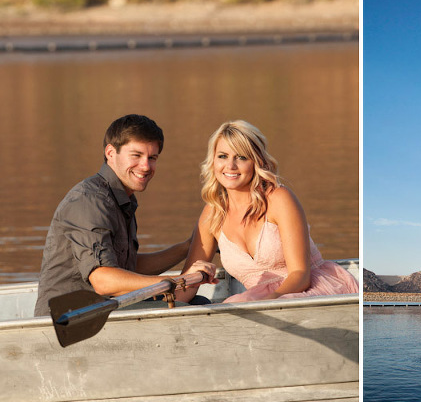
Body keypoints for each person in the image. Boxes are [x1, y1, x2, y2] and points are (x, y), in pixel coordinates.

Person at [35, 114, 216, 316]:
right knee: (193, 306)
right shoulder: (89, 201)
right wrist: (177, 283)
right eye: (136, 155)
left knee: (197, 302)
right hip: (71, 321)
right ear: (111, 153)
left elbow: (128, 268)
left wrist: (186, 247)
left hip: (103, 309)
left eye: (152, 158)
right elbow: (103, 281)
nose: (146, 166)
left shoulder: (121, 198)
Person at [181, 120, 359, 302]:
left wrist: (267, 302)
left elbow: (300, 275)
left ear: (257, 161)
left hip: (309, 292)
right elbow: (184, 289)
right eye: (222, 156)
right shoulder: (213, 212)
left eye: (241, 157)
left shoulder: (278, 198)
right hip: (256, 301)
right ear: (213, 160)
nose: (230, 166)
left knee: (235, 305)